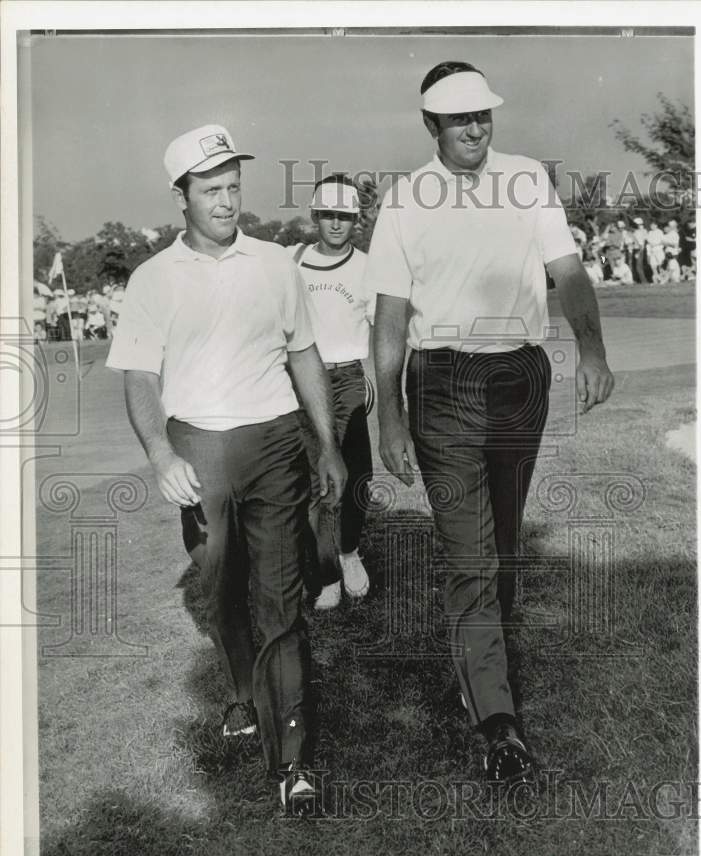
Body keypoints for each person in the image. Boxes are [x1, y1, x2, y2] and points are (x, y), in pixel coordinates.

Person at [364, 61, 614, 785]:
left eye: (483, 116)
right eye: (458, 120)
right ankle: (497, 721)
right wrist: (389, 418)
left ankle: (480, 660)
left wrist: (590, 351)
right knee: (468, 555)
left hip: (519, 377)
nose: (474, 129)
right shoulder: (405, 199)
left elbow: (566, 269)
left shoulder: (528, 177)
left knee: (502, 539)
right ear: (430, 126)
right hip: (440, 379)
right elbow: (387, 318)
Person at [106, 124, 346, 814]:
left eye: (234, 186)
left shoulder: (276, 264)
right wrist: (160, 454)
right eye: (211, 189)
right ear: (182, 196)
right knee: (220, 582)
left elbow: (303, 354)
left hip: (272, 440)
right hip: (196, 445)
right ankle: (241, 690)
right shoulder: (153, 279)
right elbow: (139, 378)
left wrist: (326, 443)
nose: (226, 200)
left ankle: (291, 762)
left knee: (280, 596)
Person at [288, 175, 374, 610]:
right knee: (314, 478)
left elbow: (379, 330)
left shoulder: (366, 266)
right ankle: (324, 572)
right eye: (329, 216)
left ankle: (348, 552)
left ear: (355, 219)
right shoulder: (292, 260)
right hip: (304, 380)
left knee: (357, 474)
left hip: (349, 377)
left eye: (345, 216)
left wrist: (374, 378)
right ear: (315, 217)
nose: (337, 225)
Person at [630, 217, 648, 283]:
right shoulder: (640, 231)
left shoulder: (639, 232)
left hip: (639, 250)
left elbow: (641, 244)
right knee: (637, 266)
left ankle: (644, 281)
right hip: (637, 250)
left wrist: (638, 252)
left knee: (638, 267)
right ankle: (640, 280)